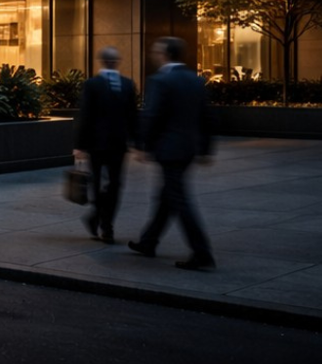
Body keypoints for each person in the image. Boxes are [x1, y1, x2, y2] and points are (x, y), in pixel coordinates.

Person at [129, 36, 215, 271]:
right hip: (188, 148)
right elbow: (206, 116)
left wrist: (142, 145)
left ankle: (202, 252)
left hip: (169, 149)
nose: (154, 55)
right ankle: (148, 241)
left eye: (157, 52)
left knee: (177, 199)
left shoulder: (160, 80)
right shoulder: (195, 80)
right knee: (167, 196)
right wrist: (205, 149)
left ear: (165, 55)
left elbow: (151, 114)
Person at [73, 47, 139, 244]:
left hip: (108, 143)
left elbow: (86, 115)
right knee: (109, 184)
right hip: (103, 143)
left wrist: (79, 146)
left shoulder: (122, 84)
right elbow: (132, 116)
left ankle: (100, 220)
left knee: (111, 184)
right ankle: (105, 224)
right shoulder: (117, 84)